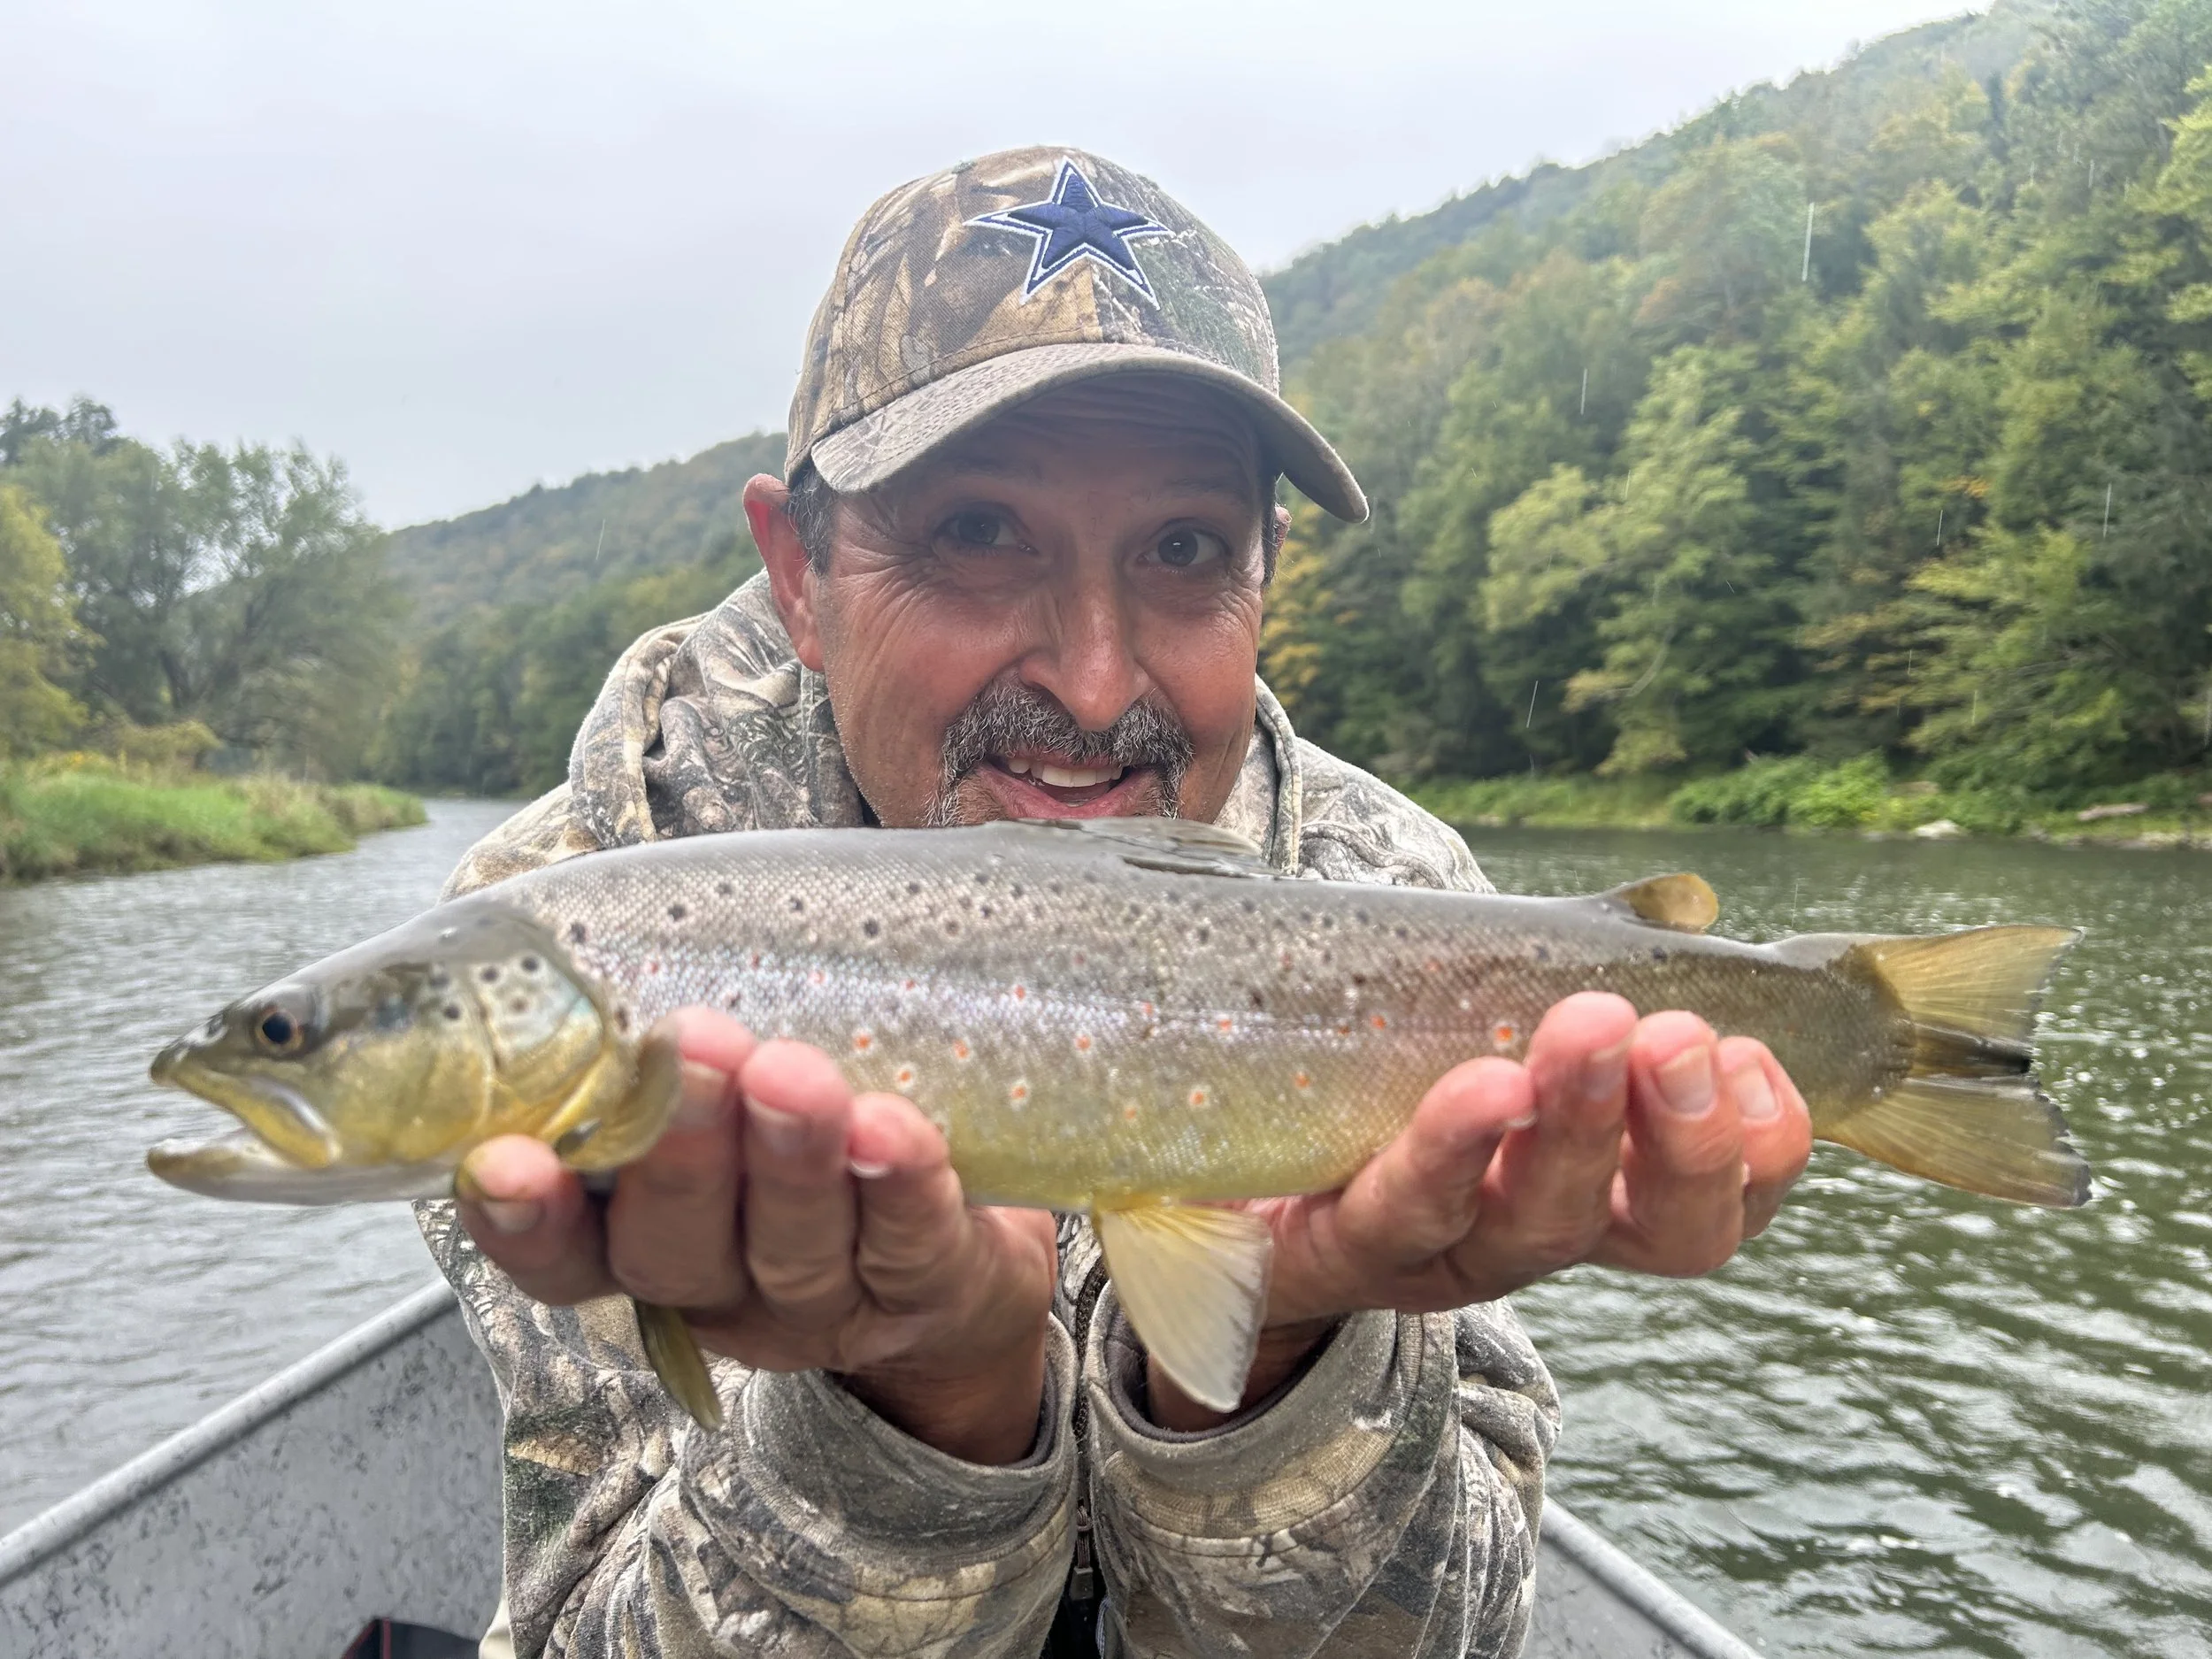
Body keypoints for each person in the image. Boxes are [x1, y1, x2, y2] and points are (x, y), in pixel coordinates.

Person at [420, 146, 1813, 1659]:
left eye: (1185, 551)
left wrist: (1277, 1353)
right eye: (974, 534)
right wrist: (921, 1414)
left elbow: (1459, 1636)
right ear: (802, 573)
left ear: (1267, 575)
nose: (1093, 679)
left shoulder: (1398, 900)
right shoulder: (554, 949)